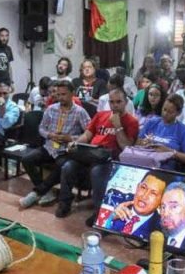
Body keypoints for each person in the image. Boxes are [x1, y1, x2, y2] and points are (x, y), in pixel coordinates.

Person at [58, 88, 139, 219]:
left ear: (125, 102)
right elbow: (87, 134)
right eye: (112, 102)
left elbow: (126, 146)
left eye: (119, 102)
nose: (115, 105)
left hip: (111, 159)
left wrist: (117, 125)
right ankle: (64, 204)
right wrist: (77, 142)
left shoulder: (132, 121)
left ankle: (99, 213)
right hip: (92, 153)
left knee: (96, 171)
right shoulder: (101, 115)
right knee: (68, 166)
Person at [19, 81, 90, 209]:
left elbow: (89, 134)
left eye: (64, 94)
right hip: (50, 146)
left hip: (66, 149)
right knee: (27, 160)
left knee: (62, 165)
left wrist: (70, 138)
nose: (60, 97)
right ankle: (47, 191)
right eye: (58, 94)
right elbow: (41, 128)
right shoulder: (51, 109)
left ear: (72, 94)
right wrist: (50, 135)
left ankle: (38, 191)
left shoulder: (80, 112)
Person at [97, 170, 167, 240]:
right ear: (137, 187)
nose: (144, 196)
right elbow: (94, 230)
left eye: (153, 193)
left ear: (161, 201)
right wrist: (110, 217)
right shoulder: (113, 198)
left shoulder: (161, 229)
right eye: (143, 187)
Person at [137, 94, 185, 170]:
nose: (165, 114)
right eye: (164, 109)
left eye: (170, 112)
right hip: (144, 163)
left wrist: (170, 152)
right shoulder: (152, 122)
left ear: (178, 113)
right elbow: (137, 143)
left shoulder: (183, 131)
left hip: (165, 169)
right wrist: (144, 143)